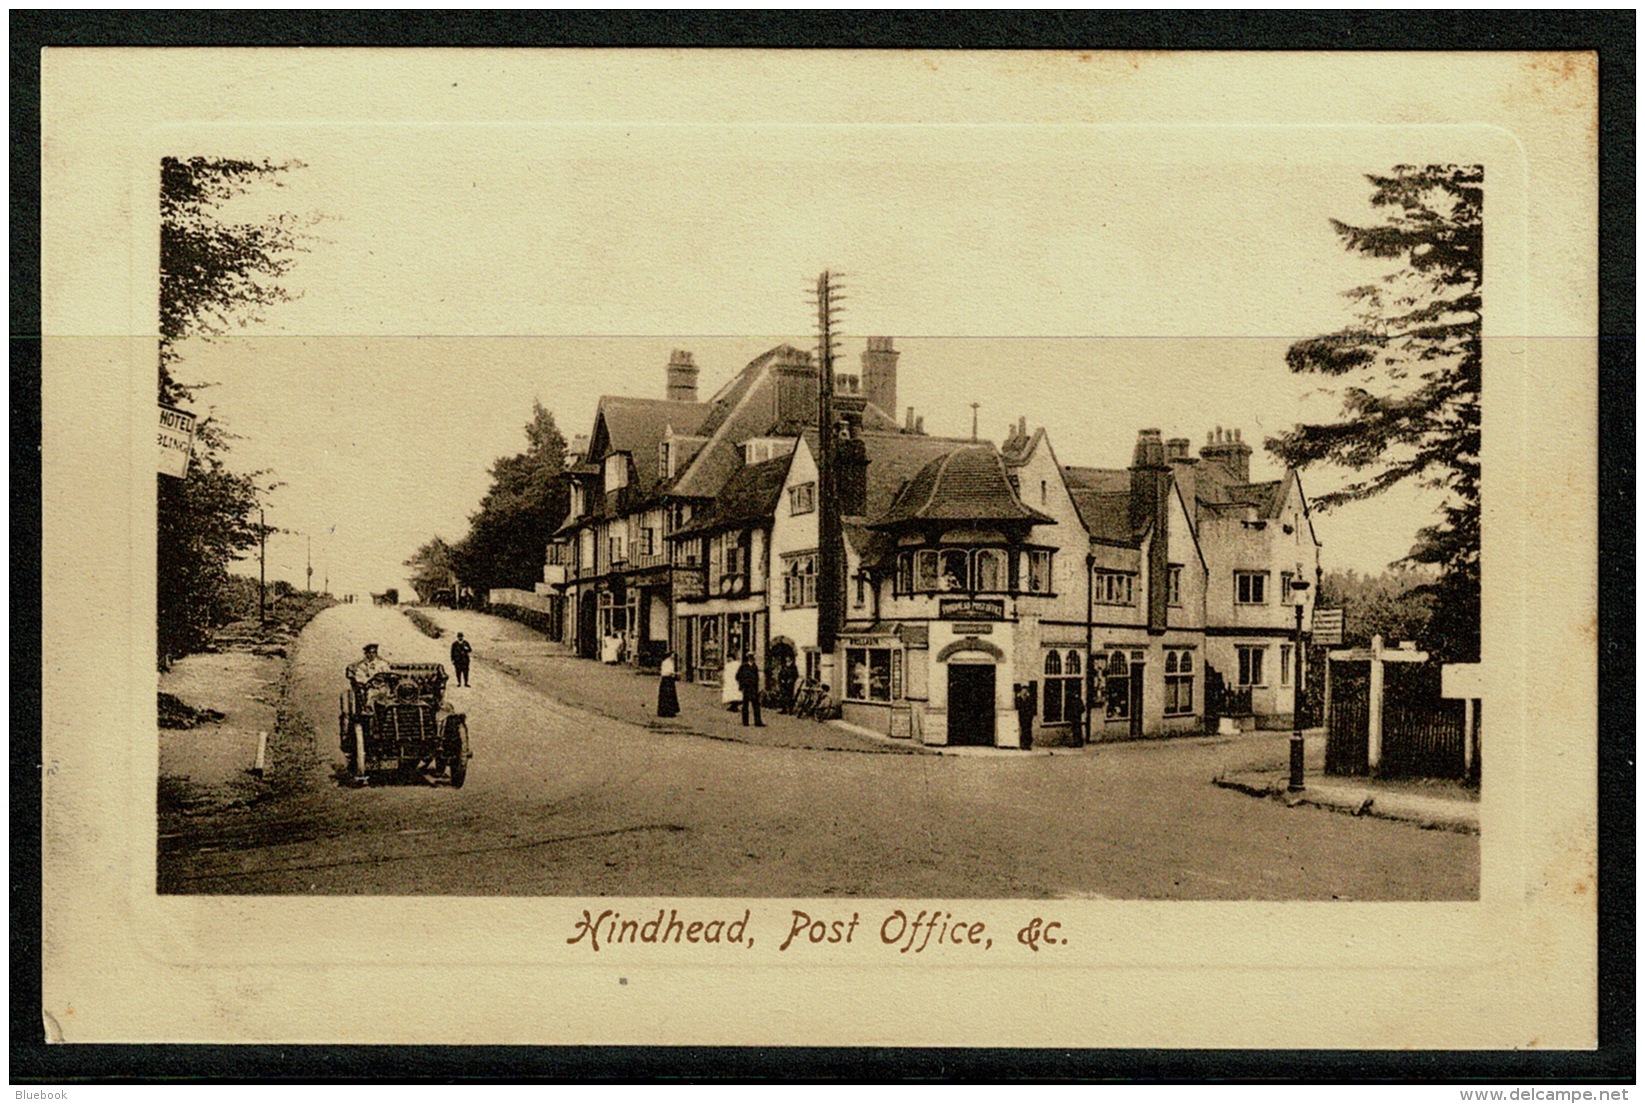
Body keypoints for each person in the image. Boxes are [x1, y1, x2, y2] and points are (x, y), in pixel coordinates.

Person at [347, 644, 394, 709]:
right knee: (370, 696)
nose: (372, 655)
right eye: (370, 653)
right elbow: (360, 677)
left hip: (383, 687)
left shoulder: (382, 664)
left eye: (374, 652)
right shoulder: (362, 666)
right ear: (366, 654)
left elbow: (388, 673)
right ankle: (368, 710)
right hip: (370, 687)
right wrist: (368, 681)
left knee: (389, 697)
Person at [736, 652, 764, 727]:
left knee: (756, 705)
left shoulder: (755, 667)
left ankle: (757, 722)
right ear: (748, 658)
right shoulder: (743, 666)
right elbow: (738, 676)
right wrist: (742, 685)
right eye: (751, 658)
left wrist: (758, 687)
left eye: (753, 658)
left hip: (754, 688)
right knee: (745, 705)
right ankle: (745, 722)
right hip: (746, 688)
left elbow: (757, 678)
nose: (752, 659)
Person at [1013, 682, 1036, 751]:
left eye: (1026, 690)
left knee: (1028, 731)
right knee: (1022, 730)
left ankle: (1028, 745)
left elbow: (1032, 708)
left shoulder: (1030, 699)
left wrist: (1031, 715)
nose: (1024, 692)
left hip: (1028, 718)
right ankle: (1023, 744)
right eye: (1023, 690)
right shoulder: (1018, 699)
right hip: (1021, 717)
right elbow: (1017, 707)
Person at [657, 652, 680, 718]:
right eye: (672, 656)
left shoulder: (671, 662)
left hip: (670, 681)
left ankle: (670, 711)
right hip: (666, 680)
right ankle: (665, 712)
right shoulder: (666, 662)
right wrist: (673, 673)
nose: (673, 657)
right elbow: (665, 672)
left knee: (670, 696)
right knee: (666, 696)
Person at [1067, 683, 1085, 747]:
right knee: (1075, 730)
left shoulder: (1078, 700)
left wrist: (1078, 712)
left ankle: (1079, 743)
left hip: (1077, 717)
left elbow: (1083, 708)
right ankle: (1077, 742)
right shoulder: (1073, 701)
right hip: (1074, 717)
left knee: (1077, 730)